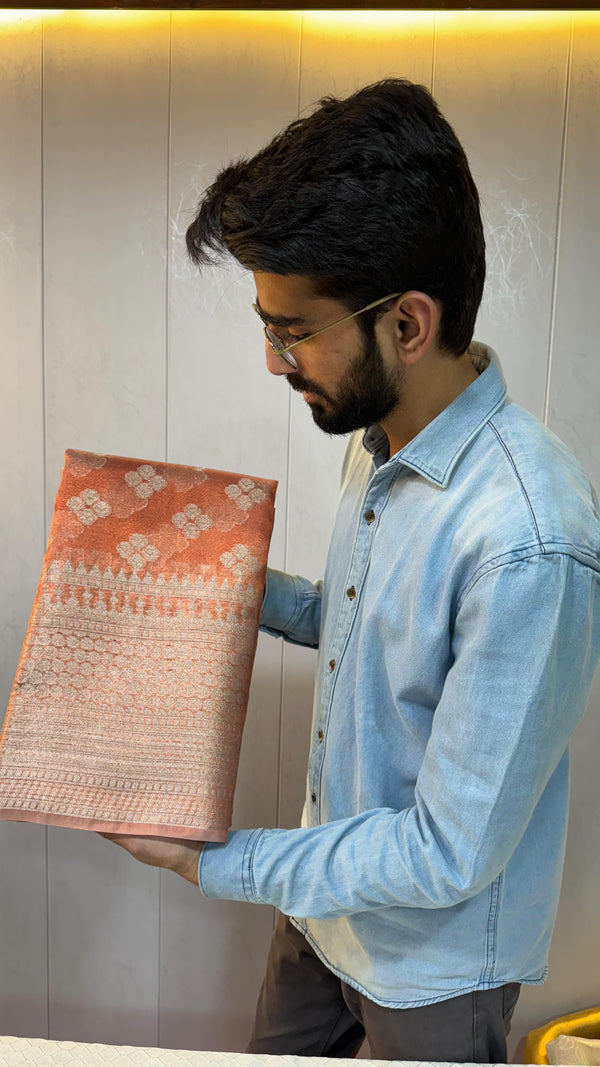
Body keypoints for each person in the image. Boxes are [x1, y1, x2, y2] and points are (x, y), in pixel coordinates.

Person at [101, 79, 600, 1063]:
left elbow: (448, 851)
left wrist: (214, 861)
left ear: (406, 325)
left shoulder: (528, 541)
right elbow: (367, 626)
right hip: (324, 906)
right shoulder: (378, 438)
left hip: (434, 962)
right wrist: (229, 585)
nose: (275, 361)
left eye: (292, 329)